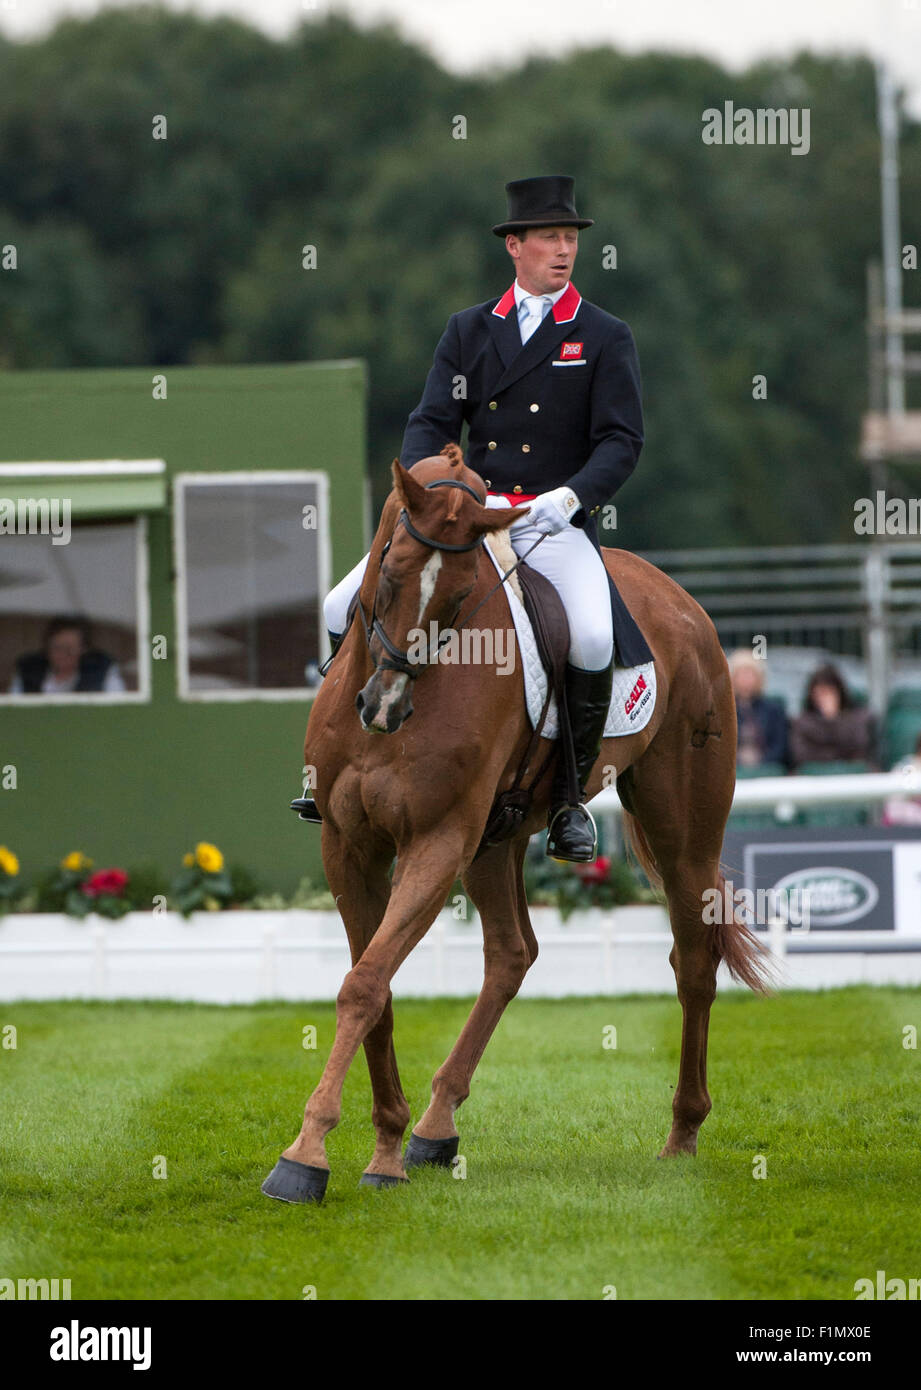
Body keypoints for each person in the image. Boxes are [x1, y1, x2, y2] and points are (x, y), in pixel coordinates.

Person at [307, 174, 646, 862]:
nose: (562, 250)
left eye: (570, 238)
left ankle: (568, 802)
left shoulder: (602, 335)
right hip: (466, 520)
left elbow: (621, 440)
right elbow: (431, 420)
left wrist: (570, 499)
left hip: (550, 525)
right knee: (337, 606)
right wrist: (427, 493)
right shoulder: (468, 330)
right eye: (548, 238)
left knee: (586, 640)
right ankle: (333, 770)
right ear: (514, 246)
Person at [9, 615, 126, 694]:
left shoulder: (103, 670)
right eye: (57, 648)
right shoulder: (27, 670)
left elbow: (118, 706)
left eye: (70, 649)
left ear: (83, 649)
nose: (62, 654)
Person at [789, 663, 876, 770]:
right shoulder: (802, 723)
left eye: (828, 693)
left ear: (839, 693)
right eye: (819, 694)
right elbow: (802, 756)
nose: (823, 699)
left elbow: (860, 750)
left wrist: (834, 720)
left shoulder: (859, 719)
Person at [729, 649, 789, 769]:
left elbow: (780, 746)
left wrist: (763, 765)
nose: (745, 679)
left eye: (750, 673)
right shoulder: (723, 712)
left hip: (768, 771)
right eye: (741, 673)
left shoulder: (774, 710)